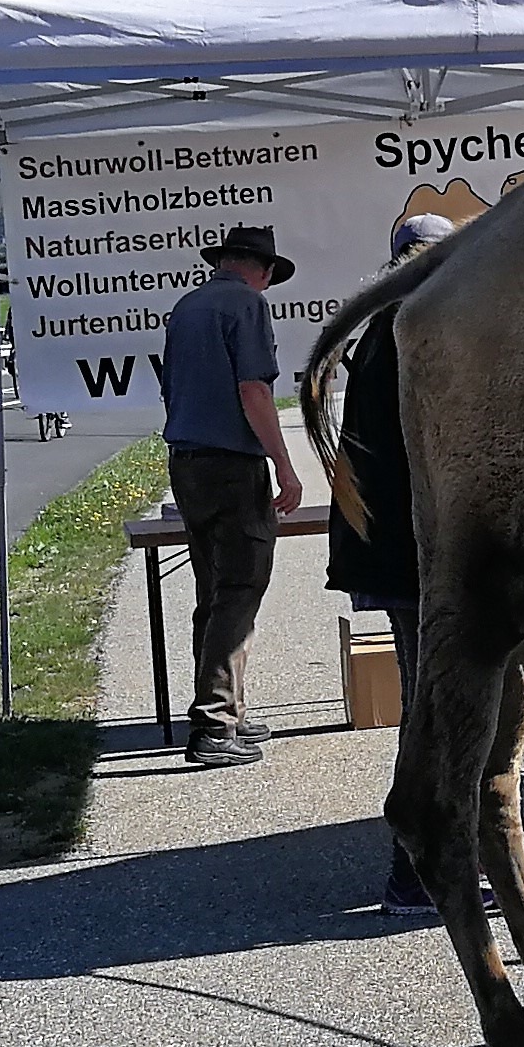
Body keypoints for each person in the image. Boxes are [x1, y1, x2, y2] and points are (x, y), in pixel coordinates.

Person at [326, 212, 452, 903]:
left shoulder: (388, 321)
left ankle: (426, 864)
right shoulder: (415, 324)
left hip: (400, 549)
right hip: (418, 551)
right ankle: (416, 871)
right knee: (432, 709)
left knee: (428, 704)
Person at [162, 223, 303, 768]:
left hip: (188, 461)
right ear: (262, 269)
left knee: (214, 587)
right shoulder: (247, 306)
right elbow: (254, 389)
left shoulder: (189, 305)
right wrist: (285, 466)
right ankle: (216, 721)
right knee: (241, 588)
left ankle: (229, 709)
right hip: (231, 464)